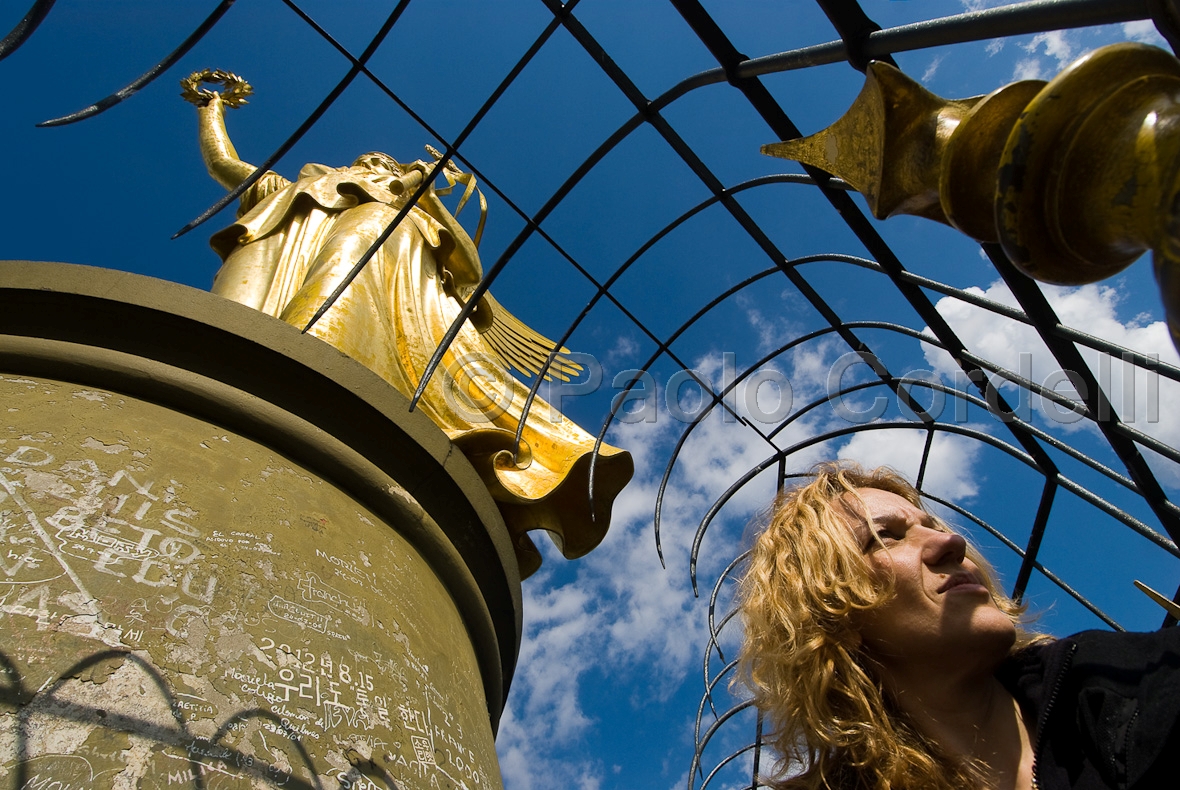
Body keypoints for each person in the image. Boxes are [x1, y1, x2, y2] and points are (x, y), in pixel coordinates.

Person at [182, 70, 633, 577]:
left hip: (388, 287)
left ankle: (315, 377)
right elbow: (224, 163)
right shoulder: (296, 190)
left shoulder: (411, 215)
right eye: (367, 161)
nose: (375, 164)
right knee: (235, 334)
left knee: (361, 249)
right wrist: (210, 108)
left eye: (384, 163)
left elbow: (469, 266)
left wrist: (425, 196)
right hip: (277, 277)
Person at [738, 462, 1180, 789]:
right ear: (832, 617)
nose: (951, 541)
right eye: (885, 537)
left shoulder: (1112, 682)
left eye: (931, 525)